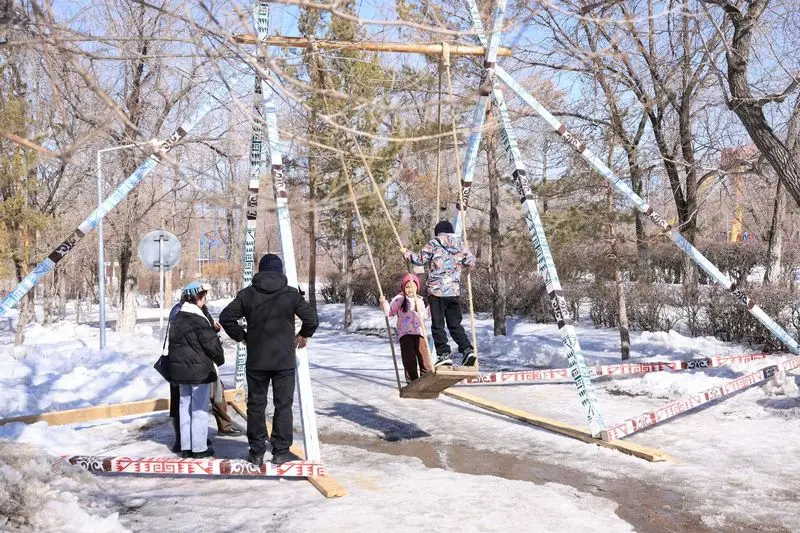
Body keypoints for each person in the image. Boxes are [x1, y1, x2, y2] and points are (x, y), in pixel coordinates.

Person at [219, 253, 319, 466]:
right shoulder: (291, 294)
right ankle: (281, 451)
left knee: (256, 405)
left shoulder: (247, 295)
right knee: (283, 406)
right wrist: (303, 334)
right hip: (284, 360)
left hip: (257, 360)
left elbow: (226, 318)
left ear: (260, 270)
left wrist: (243, 337)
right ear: (280, 271)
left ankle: (256, 451)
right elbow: (312, 318)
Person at [167, 288, 242, 454]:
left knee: (184, 408)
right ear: (197, 298)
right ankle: (199, 448)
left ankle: (186, 447)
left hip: (180, 372)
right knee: (199, 410)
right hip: (199, 371)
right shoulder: (198, 319)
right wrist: (219, 359)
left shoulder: (177, 316)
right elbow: (212, 346)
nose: (205, 300)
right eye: (203, 297)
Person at [403, 220, 476, 367]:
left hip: (436, 291)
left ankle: (443, 354)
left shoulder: (434, 243)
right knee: (455, 324)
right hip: (453, 292)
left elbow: (419, 260)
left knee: (438, 325)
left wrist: (407, 254)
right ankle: (467, 349)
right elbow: (471, 261)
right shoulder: (459, 244)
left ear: (438, 232)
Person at [380, 272, 433, 383]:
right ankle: (412, 380)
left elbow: (424, 316)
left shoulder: (420, 300)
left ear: (417, 288)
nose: (410, 289)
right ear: (403, 288)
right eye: (407, 287)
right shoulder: (399, 299)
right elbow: (389, 312)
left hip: (419, 333)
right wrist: (384, 303)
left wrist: (432, 306)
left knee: (424, 356)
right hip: (405, 334)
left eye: (413, 287)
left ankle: (426, 377)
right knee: (409, 358)